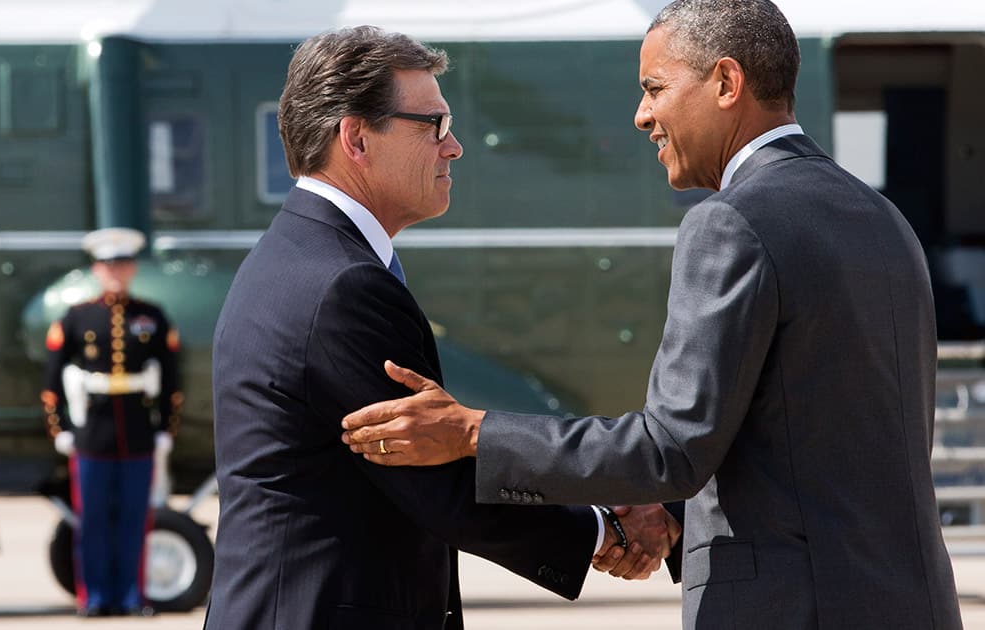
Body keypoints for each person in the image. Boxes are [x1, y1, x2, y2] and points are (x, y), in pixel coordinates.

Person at [341, 1, 965, 628]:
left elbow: (670, 447)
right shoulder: (883, 220)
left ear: (726, 83)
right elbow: (817, 439)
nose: (643, 116)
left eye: (655, 89)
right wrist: (670, 514)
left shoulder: (733, 222)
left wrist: (474, 431)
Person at [204, 25, 678, 630]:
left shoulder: (295, 258)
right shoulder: (342, 285)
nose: (453, 148)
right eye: (435, 126)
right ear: (355, 137)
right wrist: (603, 527)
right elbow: (436, 478)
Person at [41, 227, 182, 617]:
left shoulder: (151, 317)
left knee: (134, 519)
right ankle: (96, 597)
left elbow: (171, 380)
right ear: (96, 269)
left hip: (137, 432)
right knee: (94, 521)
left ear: (132, 268)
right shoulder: (77, 317)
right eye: (108, 265)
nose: (115, 272)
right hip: (92, 435)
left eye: (121, 264)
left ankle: (132, 596)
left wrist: (165, 429)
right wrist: (61, 430)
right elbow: (52, 379)